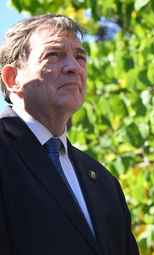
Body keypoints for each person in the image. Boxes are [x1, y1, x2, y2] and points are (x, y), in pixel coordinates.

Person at [0, 14, 139, 255]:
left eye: (80, 57)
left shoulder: (105, 182)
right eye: (53, 54)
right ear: (13, 79)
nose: (74, 67)